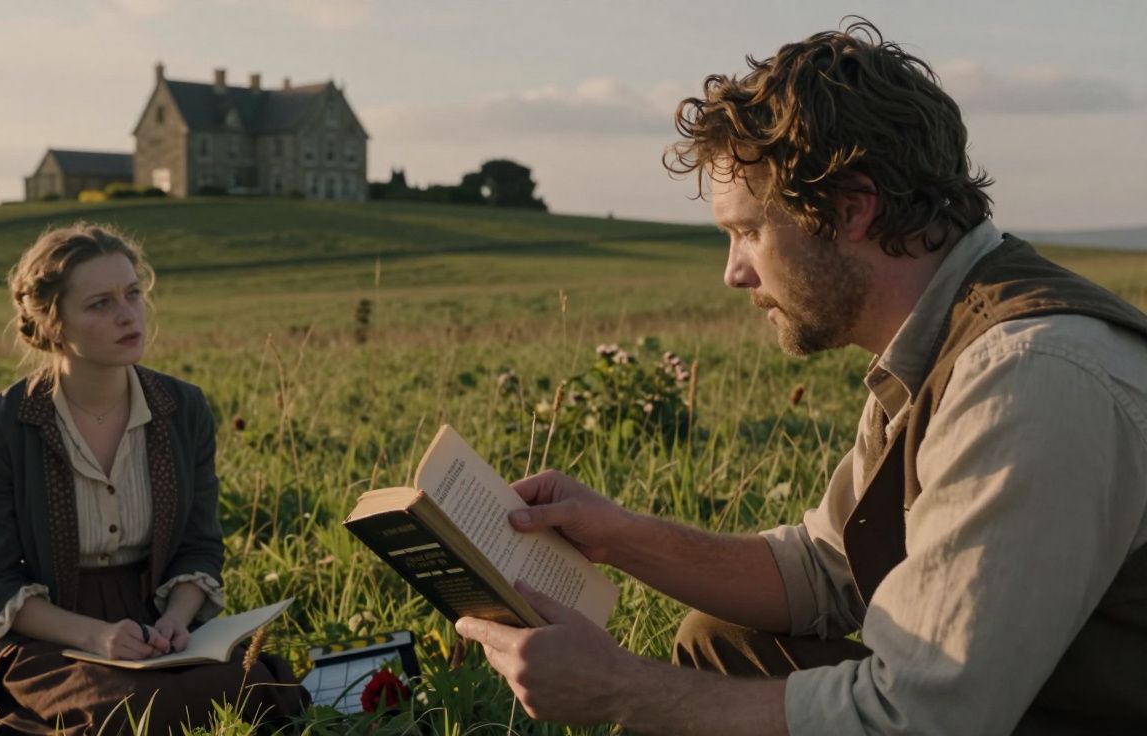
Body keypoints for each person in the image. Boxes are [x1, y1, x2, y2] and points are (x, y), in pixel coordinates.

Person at [455, 19, 1147, 736]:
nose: (733, 273)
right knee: (718, 643)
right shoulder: (934, 344)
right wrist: (619, 537)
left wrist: (623, 691)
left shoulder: (1027, 377)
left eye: (748, 231)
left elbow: (923, 720)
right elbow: (825, 570)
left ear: (851, 208)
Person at [0, 223, 306, 734]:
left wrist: (178, 619)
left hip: (158, 624)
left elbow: (198, 543)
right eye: (99, 304)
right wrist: (97, 637)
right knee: (129, 714)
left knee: (260, 691)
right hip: (48, 629)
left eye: (133, 294)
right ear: (54, 325)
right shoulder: (3, 424)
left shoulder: (181, 408)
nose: (128, 314)